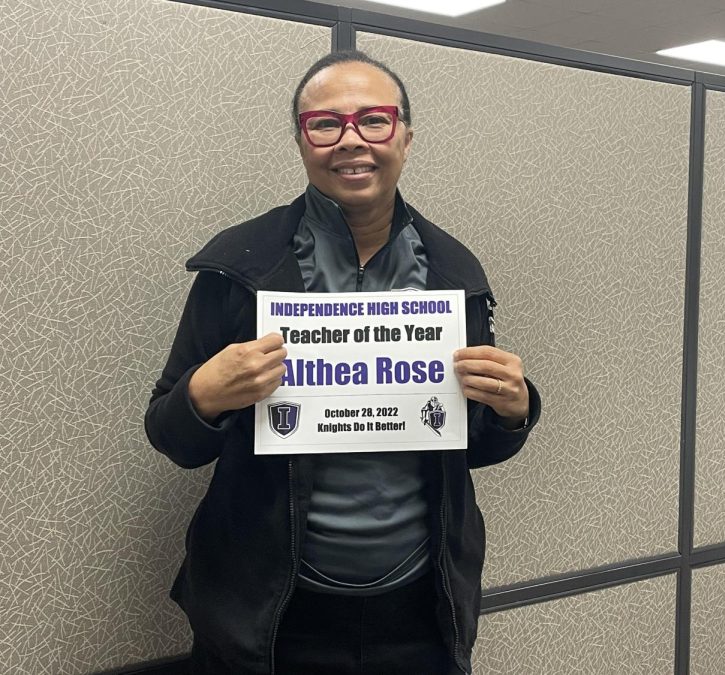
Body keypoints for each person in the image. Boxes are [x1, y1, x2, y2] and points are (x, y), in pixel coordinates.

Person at [145, 50, 541, 675]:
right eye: (324, 124)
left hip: (420, 611)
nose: (350, 140)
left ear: (406, 136)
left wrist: (515, 410)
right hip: (269, 616)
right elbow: (170, 434)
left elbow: (471, 440)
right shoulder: (239, 268)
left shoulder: (454, 273)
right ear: (301, 140)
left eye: (374, 120)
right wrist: (203, 395)